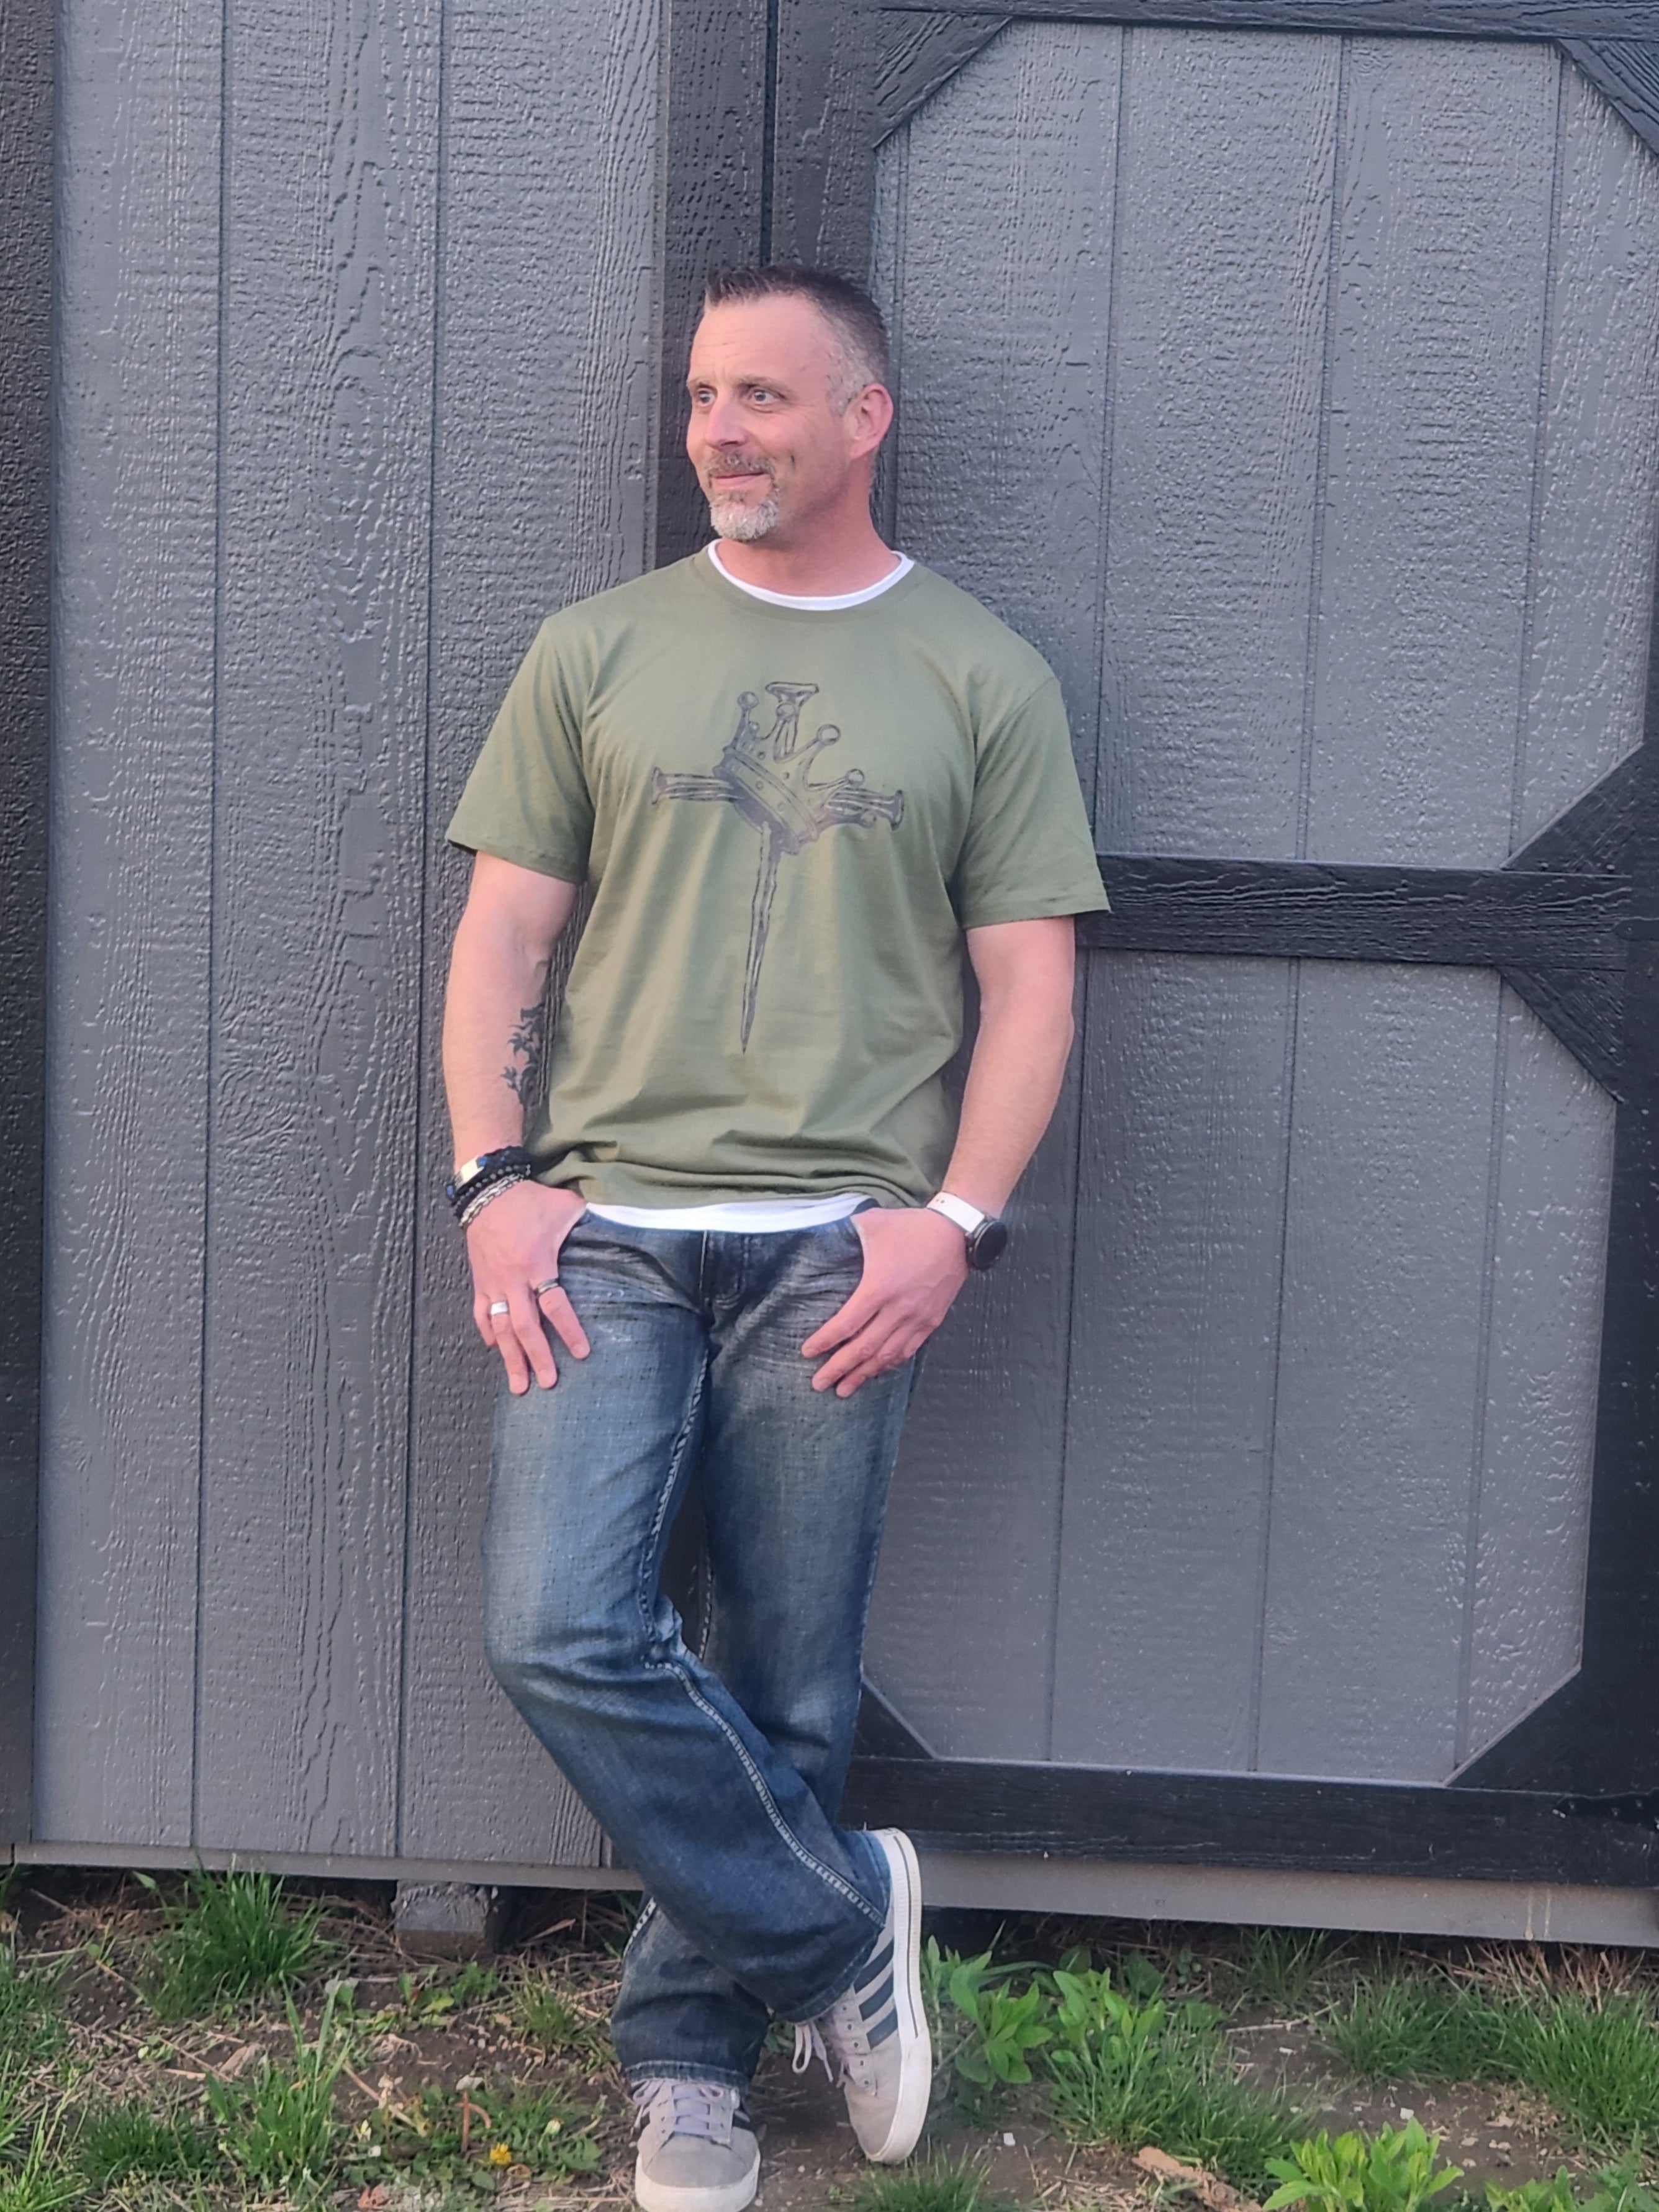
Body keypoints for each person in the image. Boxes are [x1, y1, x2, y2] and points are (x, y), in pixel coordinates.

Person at [440, 263, 1108, 2212]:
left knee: (790, 1676)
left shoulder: (979, 671)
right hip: (605, 1231)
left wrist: (954, 1223)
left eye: (764, 396)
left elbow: (1032, 984)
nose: (719, 431)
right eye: (703, 395)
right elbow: (503, 933)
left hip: (841, 1245)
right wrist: (492, 1181)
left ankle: (690, 2070)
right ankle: (839, 1933)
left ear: (863, 419)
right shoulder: (598, 650)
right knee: (559, 1623)